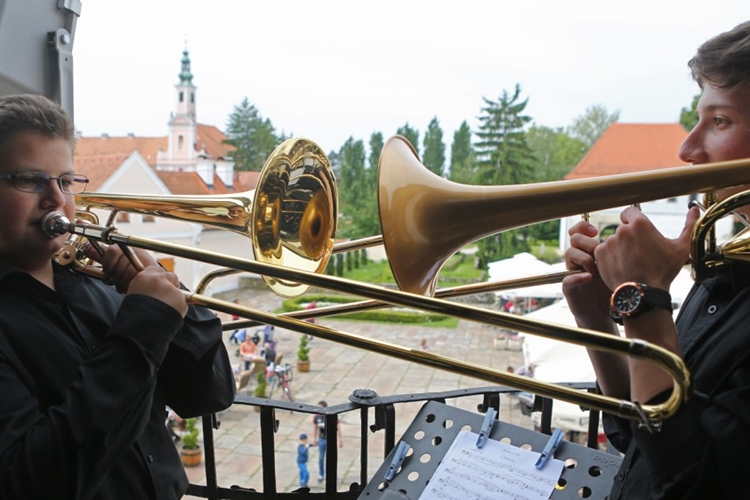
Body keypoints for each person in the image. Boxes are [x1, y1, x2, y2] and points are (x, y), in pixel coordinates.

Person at [0, 94, 236, 499]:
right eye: (31, 180)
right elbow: (35, 479)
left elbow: (209, 394)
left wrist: (167, 296)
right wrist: (142, 327)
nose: (57, 199)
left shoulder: (101, 286)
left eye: (65, 182)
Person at [562, 21, 750, 499]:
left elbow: (694, 487)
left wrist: (643, 302)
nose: (688, 149)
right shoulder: (729, 270)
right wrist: (597, 320)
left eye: (720, 121)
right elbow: (642, 432)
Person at [312, 400, 343, 484]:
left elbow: (339, 428)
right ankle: (321, 474)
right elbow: (315, 428)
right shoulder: (317, 417)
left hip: (330, 439)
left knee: (331, 458)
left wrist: (340, 440)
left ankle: (332, 475)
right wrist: (314, 439)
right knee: (321, 458)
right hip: (321, 439)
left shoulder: (331, 416)